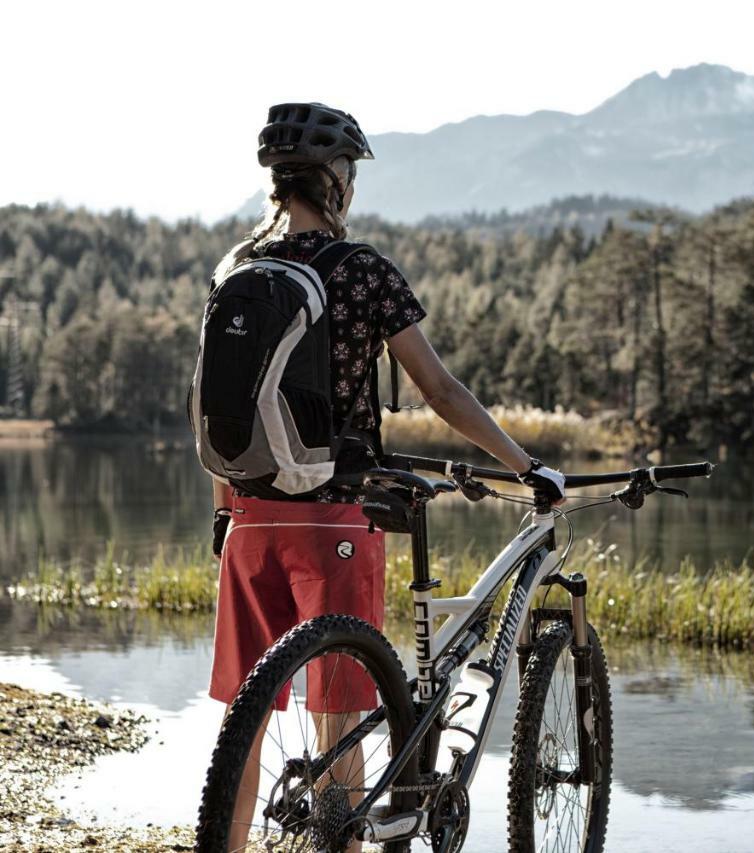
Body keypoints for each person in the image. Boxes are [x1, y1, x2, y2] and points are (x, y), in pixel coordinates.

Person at [205, 102, 565, 851]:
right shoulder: (362, 269)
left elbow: (212, 406)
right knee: (340, 713)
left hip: (247, 519)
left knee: (246, 716)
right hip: (335, 517)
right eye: (350, 173)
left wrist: (223, 512)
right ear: (335, 180)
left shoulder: (235, 269)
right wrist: (525, 464)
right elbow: (440, 391)